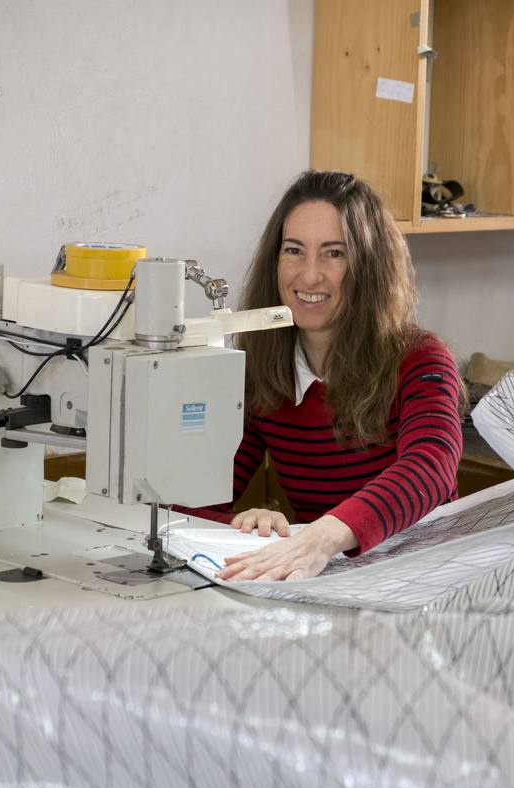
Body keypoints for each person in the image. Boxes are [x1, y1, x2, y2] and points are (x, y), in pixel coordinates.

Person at [178, 170, 463, 581]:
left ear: (370, 266)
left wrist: (322, 537)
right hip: (326, 581)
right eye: (294, 250)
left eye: (335, 253)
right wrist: (241, 523)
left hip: (421, 577)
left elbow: (430, 468)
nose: (309, 275)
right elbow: (190, 496)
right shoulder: (260, 371)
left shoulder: (421, 359)